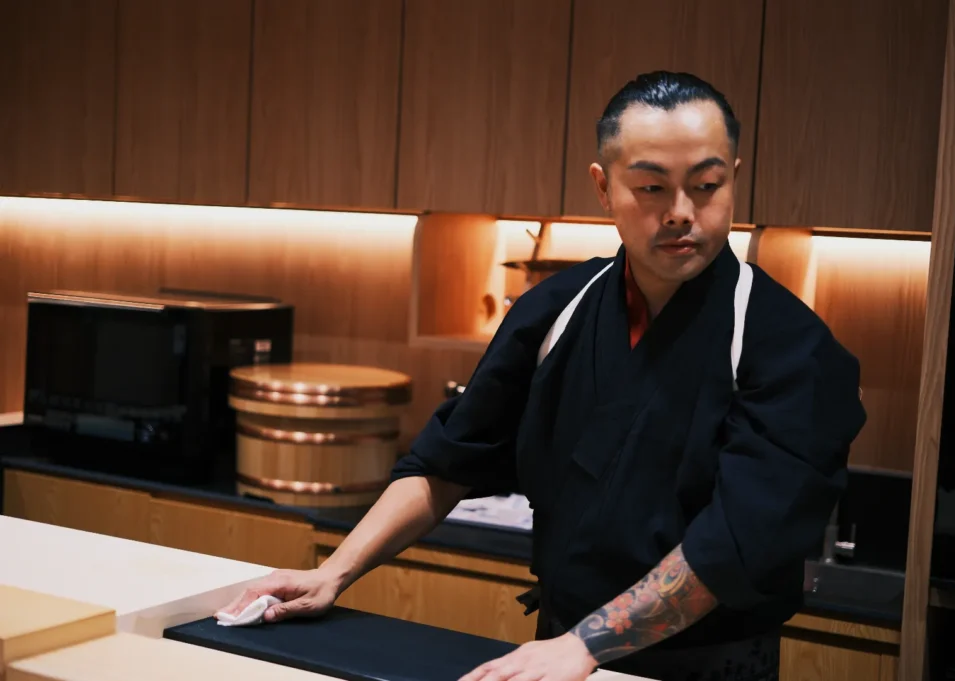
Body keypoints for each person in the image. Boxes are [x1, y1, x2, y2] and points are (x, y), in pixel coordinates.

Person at [220, 71, 867, 681]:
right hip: (558, 657)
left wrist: (584, 644)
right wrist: (334, 572)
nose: (679, 211)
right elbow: (449, 458)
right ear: (602, 186)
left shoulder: (789, 348)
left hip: (707, 664)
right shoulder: (560, 307)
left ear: (734, 179)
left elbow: (735, 545)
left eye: (706, 185)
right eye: (650, 187)